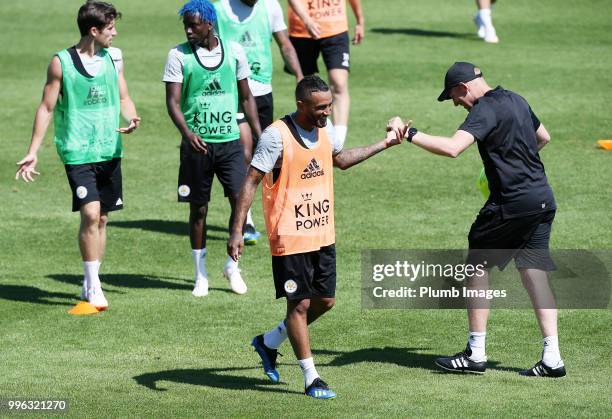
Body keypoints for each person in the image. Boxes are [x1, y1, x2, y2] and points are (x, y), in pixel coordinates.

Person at [227, 76, 404, 398]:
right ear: (301, 105)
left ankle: (269, 342)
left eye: (329, 106)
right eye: (320, 107)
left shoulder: (327, 130)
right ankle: (311, 377)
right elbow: (251, 181)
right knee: (299, 305)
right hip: (289, 234)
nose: (326, 112)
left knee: (325, 301)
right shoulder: (275, 136)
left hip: (322, 232)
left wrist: (385, 144)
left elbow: (341, 160)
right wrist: (237, 230)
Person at [388, 62, 565, 378]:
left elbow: (453, 148)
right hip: (542, 199)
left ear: (463, 87)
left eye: (454, 97)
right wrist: (513, 161)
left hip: (511, 204)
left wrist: (410, 133)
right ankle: (552, 358)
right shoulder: (516, 99)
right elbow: (544, 137)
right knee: (534, 273)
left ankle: (476, 352)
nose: (456, 103)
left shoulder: (484, 110)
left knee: (475, 267)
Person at [15, 1, 141, 310]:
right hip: (76, 150)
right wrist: (33, 151)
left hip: (109, 149)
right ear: (94, 31)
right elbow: (46, 107)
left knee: (103, 219)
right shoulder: (61, 62)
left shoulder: (115, 57)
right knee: (90, 213)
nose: (116, 33)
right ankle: (95, 286)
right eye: (110, 28)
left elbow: (122, 94)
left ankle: (89, 281)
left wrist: (132, 115)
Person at [163, 0, 262, 297]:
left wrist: (259, 135)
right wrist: (187, 132)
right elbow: (172, 102)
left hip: (230, 142)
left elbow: (247, 98)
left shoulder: (234, 52)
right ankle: (200, 274)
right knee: (199, 209)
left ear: (209, 24)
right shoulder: (178, 55)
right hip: (197, 146)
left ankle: (233, 266)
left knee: (239, 201)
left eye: (193, 25)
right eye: (186, 26)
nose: (189, 30)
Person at [214, 0, 304, 245]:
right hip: (231, 91)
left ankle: (275, 215)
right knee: (243, 151)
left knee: (266, 151)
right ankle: (247, 219)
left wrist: (298, 75)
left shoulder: (269, 7)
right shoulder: (219, 9)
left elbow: (284, 43)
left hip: (262, 91)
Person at [286, 0, 364, 145]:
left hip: (335, 27)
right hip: (301, 30)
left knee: (339, 84)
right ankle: (308, 137)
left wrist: (360, 20)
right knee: (305, 88)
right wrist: (307, 20)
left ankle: (337, 143)